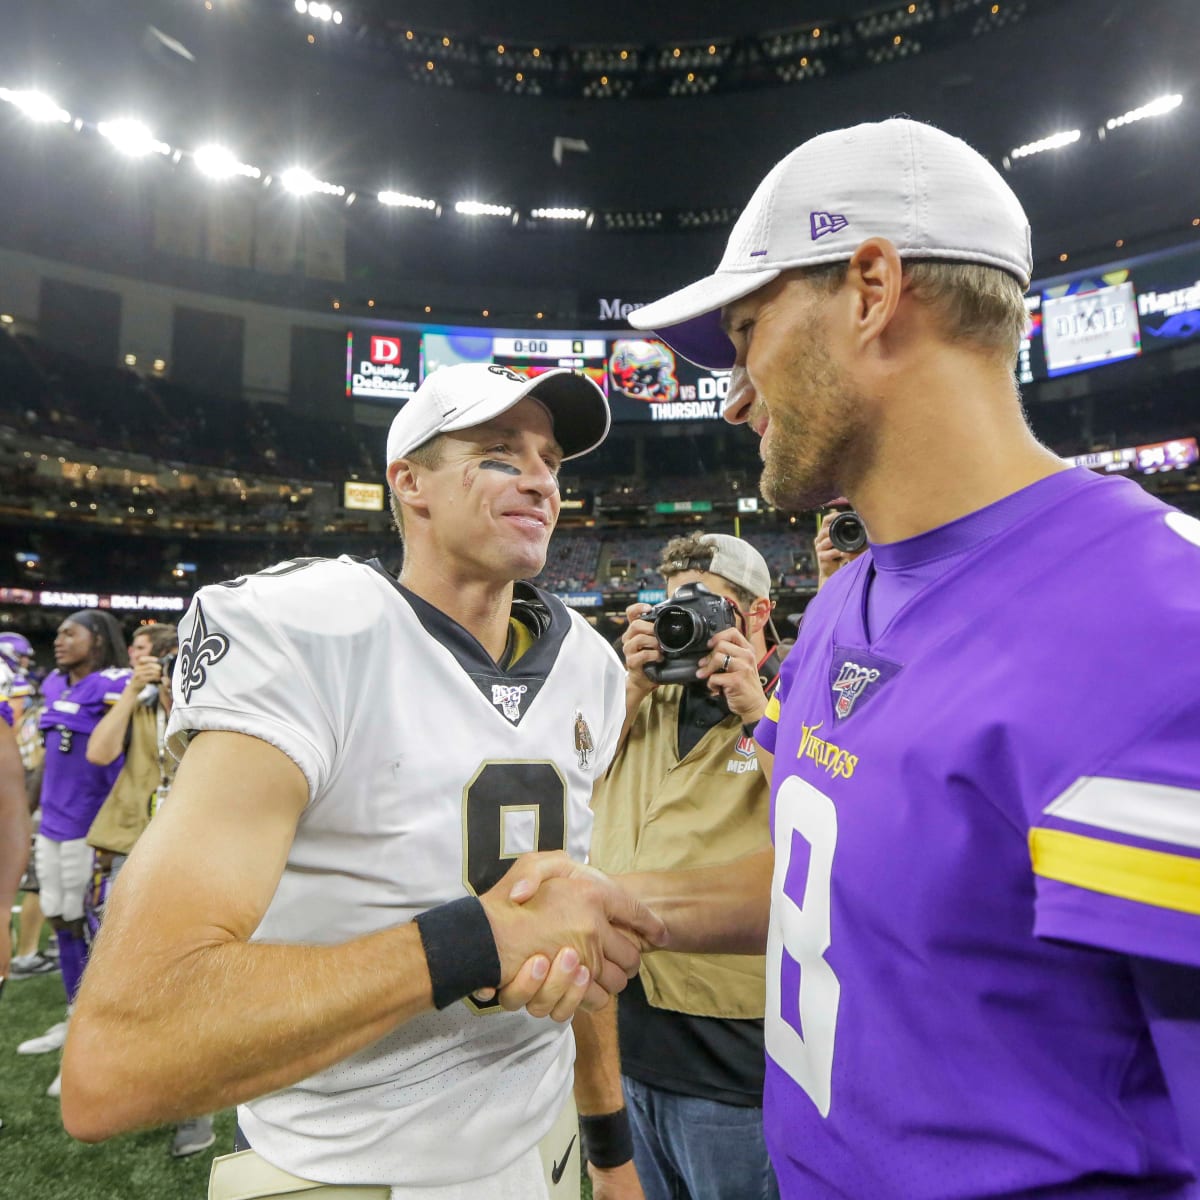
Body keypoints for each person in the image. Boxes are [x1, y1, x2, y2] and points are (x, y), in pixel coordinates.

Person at [502, 118, 1200, 1198]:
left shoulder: (1162, 627)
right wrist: (625, 901)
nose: (732, 393)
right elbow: (842, 876)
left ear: (872, 287)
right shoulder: (843, 605)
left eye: (745, 333)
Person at [62, 362, 667, 1200]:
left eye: (551, 459)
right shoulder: (315, 632)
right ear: (409, 482)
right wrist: (475, 942)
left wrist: (610, 1150)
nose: (539, 479)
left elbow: (577, 931)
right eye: (499, 453)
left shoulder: (590, 668)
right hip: (350, 1167)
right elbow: (121, 1054)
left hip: (544, 1143)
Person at [584, 532, 781, 1200]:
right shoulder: (639, 699)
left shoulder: (795, 694)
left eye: (709, 606)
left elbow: (825, 813)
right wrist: (630, 687)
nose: (686, 621)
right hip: (620, 1034)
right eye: (674, 607)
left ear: (756, 614)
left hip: (726, 1056)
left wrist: (758, 711)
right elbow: (565, 777)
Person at [20, 610, 128, 1096]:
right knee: (61, 920)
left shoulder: (115, 684)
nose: (59, 641)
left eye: (70, 633)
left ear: (99, 639)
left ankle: (95, 1041)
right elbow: (47, 760)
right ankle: (72, 1017)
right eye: (57, 632)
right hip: (54, 823)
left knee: (91, 931)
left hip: (92, 828)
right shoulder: (52, 687)